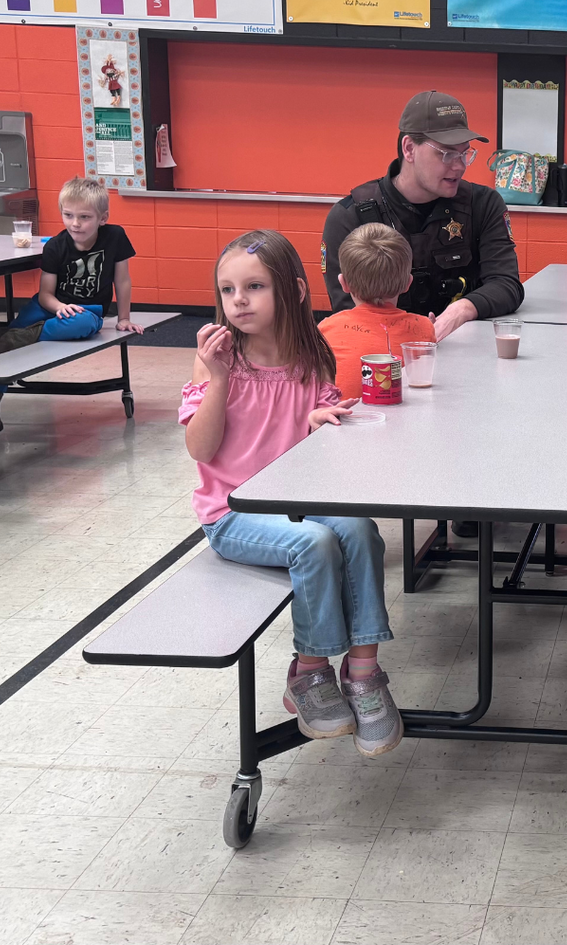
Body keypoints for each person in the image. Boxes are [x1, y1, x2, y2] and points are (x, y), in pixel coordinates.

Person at [180, 229, 403, 757]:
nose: (238, 300)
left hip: (294, 503)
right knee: (316, 545)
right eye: (228, 289)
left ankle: (364, 671)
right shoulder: (220, 360)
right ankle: (309, 672)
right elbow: (201, 448)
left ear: (295, 292)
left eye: (254, 286)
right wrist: (216, 381)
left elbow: (302, 433)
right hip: (233, 514)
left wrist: (316, 419)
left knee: (360, 530)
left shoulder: (310, 355)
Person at [321, 89, 524, 344]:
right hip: (384, 361)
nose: (459, 165)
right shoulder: (351, 217)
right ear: (409, 149)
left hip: (467, 354)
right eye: (447, 153)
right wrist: (414, 336)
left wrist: (461, 309)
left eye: (465, 153)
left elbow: (507, 284)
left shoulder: (483, 205)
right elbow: (348, 314)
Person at [0, 177, 140, 433]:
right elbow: (45, 294)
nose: (75, 223)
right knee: (2, 349)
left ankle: (11, 337)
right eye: (68, 215)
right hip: (50, 306)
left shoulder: (115, 236)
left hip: (88, 310)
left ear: (102, 218)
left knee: (79, 324)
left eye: (84, 217)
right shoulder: (56, 246)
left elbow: (122, 281)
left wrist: (123, 318)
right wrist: (58, 307)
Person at [318, 223, 436, 400]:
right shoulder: (424, 328)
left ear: (343, 284)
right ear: (408, 284)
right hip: (405, 419)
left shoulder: (327, 328)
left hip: (340, 422)